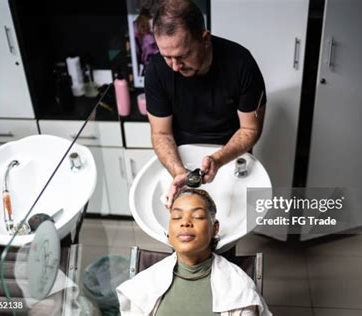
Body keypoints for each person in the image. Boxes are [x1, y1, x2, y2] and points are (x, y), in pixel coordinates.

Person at [145, 0, 267, 206]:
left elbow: (250, 128)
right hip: (181, 154)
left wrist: (218, 159)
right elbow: (161, 133)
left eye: (182, 55)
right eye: (167, 57)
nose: (174, 67)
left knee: (232, 214)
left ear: (205, 39)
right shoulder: (157, 70)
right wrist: (178, 171)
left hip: (230, 152)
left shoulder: (242, 63)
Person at [116, 188, 272, 315]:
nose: (185, 222)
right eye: (177, 217)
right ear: (169, 231)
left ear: (215, 228)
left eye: (197, 216)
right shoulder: (142, 287)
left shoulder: (240, 290)